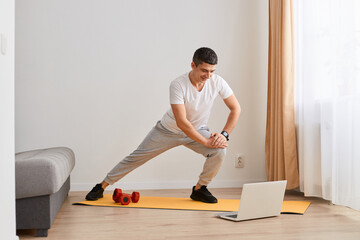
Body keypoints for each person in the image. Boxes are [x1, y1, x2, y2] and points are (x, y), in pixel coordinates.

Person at [86, 47, 241, 203]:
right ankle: (101, 186)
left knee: (220, 150)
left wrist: (224, 135)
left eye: (212, 71)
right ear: (193, 65)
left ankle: (200, 189)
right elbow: (182, 123)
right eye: (204, 70)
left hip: (198, 130)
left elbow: (235, 108)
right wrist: (207, 142)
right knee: (136, 157)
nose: (208, 76)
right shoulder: (178, 85)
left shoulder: (217, 82)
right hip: (168, 131)